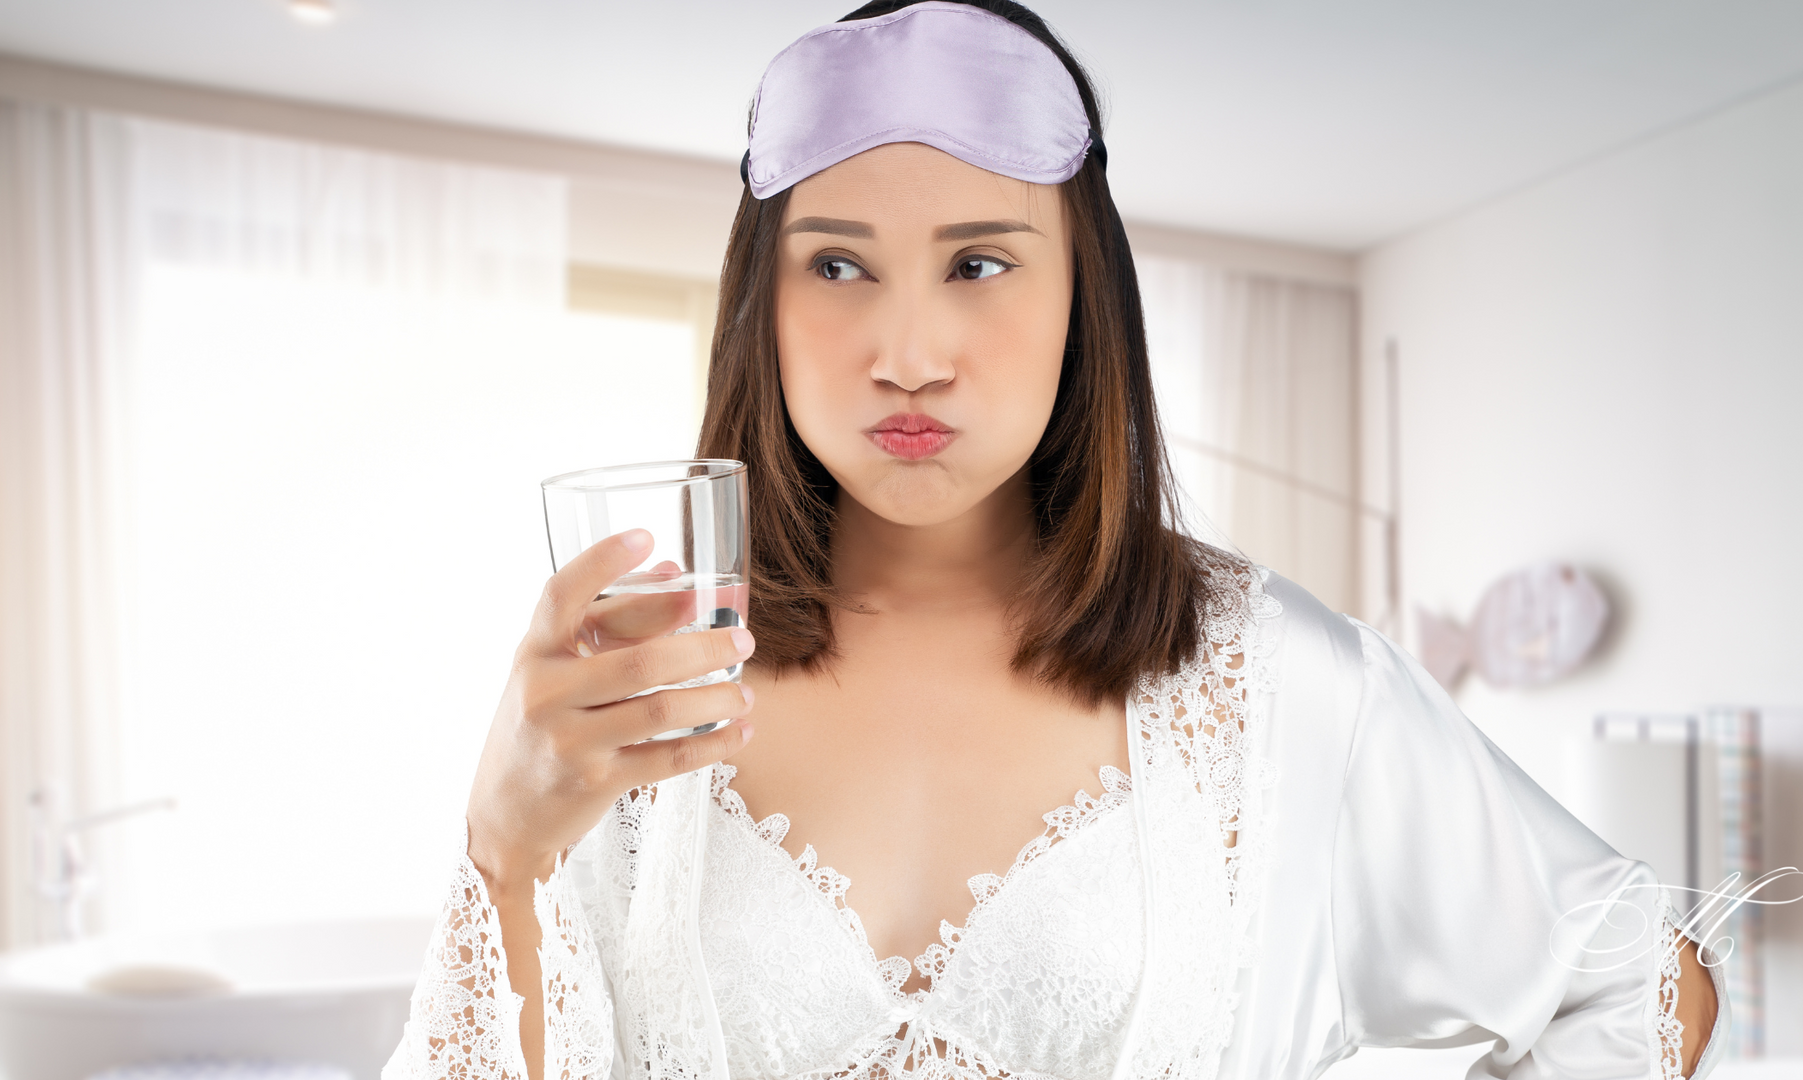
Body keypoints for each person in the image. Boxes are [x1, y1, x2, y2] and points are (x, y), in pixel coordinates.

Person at [385, 3, 1725, 1078]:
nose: (909, 356)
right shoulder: (641, 691)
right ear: (763, 303)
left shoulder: (1269, 680)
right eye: (839, 265)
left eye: (979, 263)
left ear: (1086, 295)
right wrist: (504, 853)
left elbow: (1638, 985)